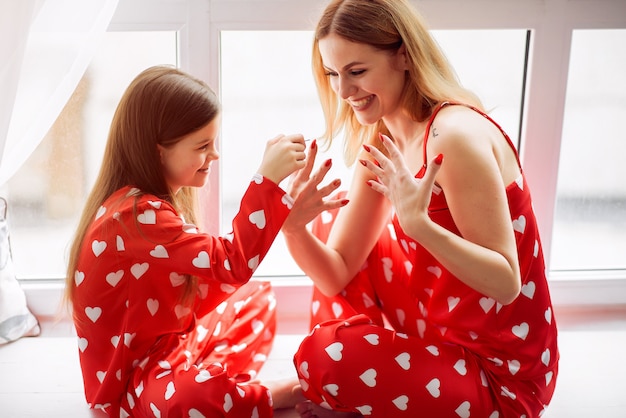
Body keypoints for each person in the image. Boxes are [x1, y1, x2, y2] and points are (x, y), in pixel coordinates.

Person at [282, 0, 559, 417]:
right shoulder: (382, 138)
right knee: (329, 219)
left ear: (404, 56)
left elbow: (506, 282)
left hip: (500, 376)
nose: (343, 91)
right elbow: (336, 271)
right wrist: (292, 228)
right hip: (440, 333)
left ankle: (310, 391)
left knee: (329, 356)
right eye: (332, 74)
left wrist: (419, 225)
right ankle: (343, 392)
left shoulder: (454, 137)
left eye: (357, 72)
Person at [64, 65, 329, 417]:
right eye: (203, 146)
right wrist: (266, 182)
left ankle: (208, 380)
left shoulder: (145, 206)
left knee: (258, 298)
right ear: (158, 151)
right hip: (134, 383)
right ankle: (251, 393)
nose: (214, 155)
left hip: (171, 341)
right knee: (193, 399)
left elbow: (215, 274)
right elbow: (231, 264)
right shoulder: (134, 215)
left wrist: (280, 213)